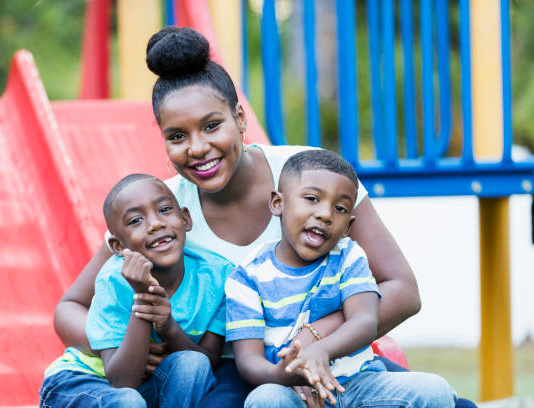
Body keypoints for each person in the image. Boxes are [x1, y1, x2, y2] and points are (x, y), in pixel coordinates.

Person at [53, 26, 476, 408]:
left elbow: (402, 289)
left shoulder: (306, 176)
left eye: (212, 125)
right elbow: (71, 307)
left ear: (240, 119)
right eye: (178, 137)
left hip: (329, 355)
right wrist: (119, 343)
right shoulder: (165, 211)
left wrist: (316, 336)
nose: (198, 148)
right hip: (234, 371)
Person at [226, 149, 457, 407]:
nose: (325, 214)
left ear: (348, 226)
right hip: (293, 391)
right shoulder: (247, 275)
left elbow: (365, 321)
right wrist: (282, 375)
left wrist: (321, 350)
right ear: (278, 203)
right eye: (312, 198)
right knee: (265, 399)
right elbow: (248, 360)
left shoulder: (348, 256)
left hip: (357, 386)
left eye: (339, 208)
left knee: (435, 391)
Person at [39, 174, 233, 407]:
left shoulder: (217, 276)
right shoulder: (113, 279)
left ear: (185, 219)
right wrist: (144, 298)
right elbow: (122, 380)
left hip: (148, 386)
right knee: (128, 402)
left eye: (164, 210)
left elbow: (209, 360)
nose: (155, 224)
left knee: (193, 364)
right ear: (118, 246)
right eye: (135, 221)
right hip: (81, 381)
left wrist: (169, 326)